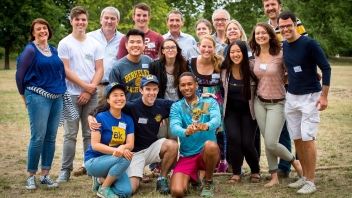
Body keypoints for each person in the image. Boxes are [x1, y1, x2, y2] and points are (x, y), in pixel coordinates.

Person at [89, 74, 179, 195]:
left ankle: (162, 179)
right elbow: (108, 106)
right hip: (133, 154)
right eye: (147, 89)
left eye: (154, 89)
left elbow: (183, 105)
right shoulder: (131, 106)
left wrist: (201, 98)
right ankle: (102, 178)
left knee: (172, 145)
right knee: (131, 189)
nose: (151, 93)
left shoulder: (162, 105)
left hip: (150, 148)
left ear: (158, 90)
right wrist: (90, 116)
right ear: (141, 90)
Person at [278, 11, 331, 194]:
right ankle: (303, 177)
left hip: (310, 97)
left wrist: (323, 96)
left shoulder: (309, 44)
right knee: (297, 138)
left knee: (308, 139)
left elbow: (326, 68)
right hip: (291, 97)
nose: (285, 29)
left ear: (295, 24)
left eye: (288, 25)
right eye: (282, 26)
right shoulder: (285, 46)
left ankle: (311, 180)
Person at [248, 22, 302, 187]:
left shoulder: (280, 54)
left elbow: (293, 71)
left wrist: (311, 75)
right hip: (259, 102)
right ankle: (274, 177)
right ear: (254, 37)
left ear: (271, 35)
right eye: (257, 33)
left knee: (272, 142)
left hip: (277, 103)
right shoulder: (254, 55)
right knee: (267, 141)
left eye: (264, 33)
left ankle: (295, 162)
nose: (260, 36)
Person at [16, 18, 66, 190]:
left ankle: (45, 175)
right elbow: (19, 74)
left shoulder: (53, 50)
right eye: (38, 29)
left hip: (56, 97)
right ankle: (31, 176)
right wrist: (24, 96)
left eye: (45, 28)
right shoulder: (30, 50)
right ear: (33, 33)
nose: (42, 31)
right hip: (37, 96)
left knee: (50, 137)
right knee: (38, 137)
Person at [57, 6, 104, 182]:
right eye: (77, 19)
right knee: (70, 134)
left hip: (90, 94)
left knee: (89, 133)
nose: (80, 22)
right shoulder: (65, 43)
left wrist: (88, 89)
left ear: (87, 21)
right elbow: (65, 69)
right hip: (70, 94)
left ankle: (90, 166)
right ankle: (65, 170)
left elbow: (99, 69)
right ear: (71, 21)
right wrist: (85, 86)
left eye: (83, 19)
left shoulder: (94, 44)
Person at [262, 0, 308, 178]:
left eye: (273, 4)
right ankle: (284, 168)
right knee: (282, 128)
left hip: (295, 83)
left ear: (279, 5)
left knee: (298, 125)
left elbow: (304, 47)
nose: (270, 8)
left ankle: (304, 164)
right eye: (266, 5)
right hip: (276, 84)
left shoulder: (293, 22)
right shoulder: (265, 28)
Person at [169, 72, 221, 197]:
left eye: (189, 84)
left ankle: (208, 181)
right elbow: (174, 127)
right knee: (177, 192)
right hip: (187, 155)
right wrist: (185, 131)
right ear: (179, 87)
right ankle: (195, 177)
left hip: (205, 153)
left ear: (196, 85)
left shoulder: (209, 102)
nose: (186, 88)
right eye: (183, 85)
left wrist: (206, 126)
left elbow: (216, 120)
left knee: (211, 145)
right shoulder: (176, 107)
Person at [220, 40, 261, 183]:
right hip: (231, 111)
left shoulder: (252, 66)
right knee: (233, 139)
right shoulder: (224, 68)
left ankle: (255, 171)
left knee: (247, 143)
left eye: (238, 51)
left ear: (244, 53)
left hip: (249, 111)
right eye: (232, 52)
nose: (235, 54)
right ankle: (236, 172)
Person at [84, 83, 134, 198]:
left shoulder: (128, 119)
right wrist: (117, 152)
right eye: (115, 95)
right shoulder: (100, 118)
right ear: (108, 99)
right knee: (124, 158)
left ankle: (100, 180)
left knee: (125, 192)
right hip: (94, 161)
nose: (119, 98)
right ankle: (104, 188)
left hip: (114, 161)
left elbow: (130, 144)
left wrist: (122, 148)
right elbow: (95, 145)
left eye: (122, 95)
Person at [187, 35, 227, 173]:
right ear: (198, 47)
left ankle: (221, 162)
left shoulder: (220, 62)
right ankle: (197, 161)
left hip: (216, 101)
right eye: (204, 46)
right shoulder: (190, 62)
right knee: (197, 130)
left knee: (219, 131)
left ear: (214, 48)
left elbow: (225, 83)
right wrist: (198, 94)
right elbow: (187, 82)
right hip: (196, 100)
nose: (206, 49)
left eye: (210, 46)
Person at [149, 38, 188, 140]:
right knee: (161, 136)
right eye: (167, 47)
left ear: (177, 50)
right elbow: (151, 89)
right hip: (161, 107)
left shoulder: (184, 65)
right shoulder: (154, 66)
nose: (170, 50)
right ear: (163, 51)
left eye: (173, 47)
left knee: (174, 136)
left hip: (179, 106)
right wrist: (156, 111)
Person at [87, 6, 124, 105]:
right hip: (93, 87)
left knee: (110, 119)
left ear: (118, 21)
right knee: (93, 118)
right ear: (101, 20)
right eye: (106, 18)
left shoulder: (124, 39)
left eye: (113, 19)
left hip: (114, 87)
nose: (109, 21)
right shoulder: (89, 37)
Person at [109, 28, 152, 101]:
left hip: (146, 109)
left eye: (138, 42)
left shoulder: (149, 61)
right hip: (126, 109)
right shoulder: (117, 67)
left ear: (144, 45)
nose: (135, 45)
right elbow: (114, 93)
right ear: (126, 45)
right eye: (132, 42)